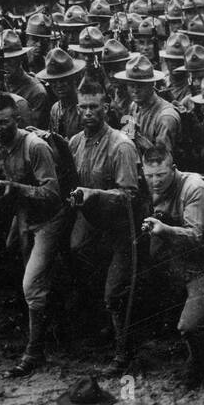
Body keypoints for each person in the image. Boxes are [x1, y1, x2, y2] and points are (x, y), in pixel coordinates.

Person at [0, 93, 64, 377]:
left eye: (4, 122)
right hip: (22, 218)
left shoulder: (35, 147)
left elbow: (53, 193)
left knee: (32, 285)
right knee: (13, 268)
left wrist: (16, 189)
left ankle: (35, 351)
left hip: (48, 221)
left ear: (17, 121)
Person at [67, 76, 142, 373]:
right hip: (92, 229)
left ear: (106, 107)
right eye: (83, 107)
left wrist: (94, 195)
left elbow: (130, 196)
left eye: (94, 107)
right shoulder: (75, 143)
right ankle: (107, 332)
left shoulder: (120, 146)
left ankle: (125, 353)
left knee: (115, 293)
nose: (88, 113)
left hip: (123, 230)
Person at [140, 144, 204, 388]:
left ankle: (197, 365)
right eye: (149, 176)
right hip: (180, 261)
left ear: (173, 169)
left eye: (160, 175)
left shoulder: (194, 188)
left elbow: (196, 234)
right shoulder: (153, 186)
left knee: (187, 326)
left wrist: (164, 229)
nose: (155, 182)